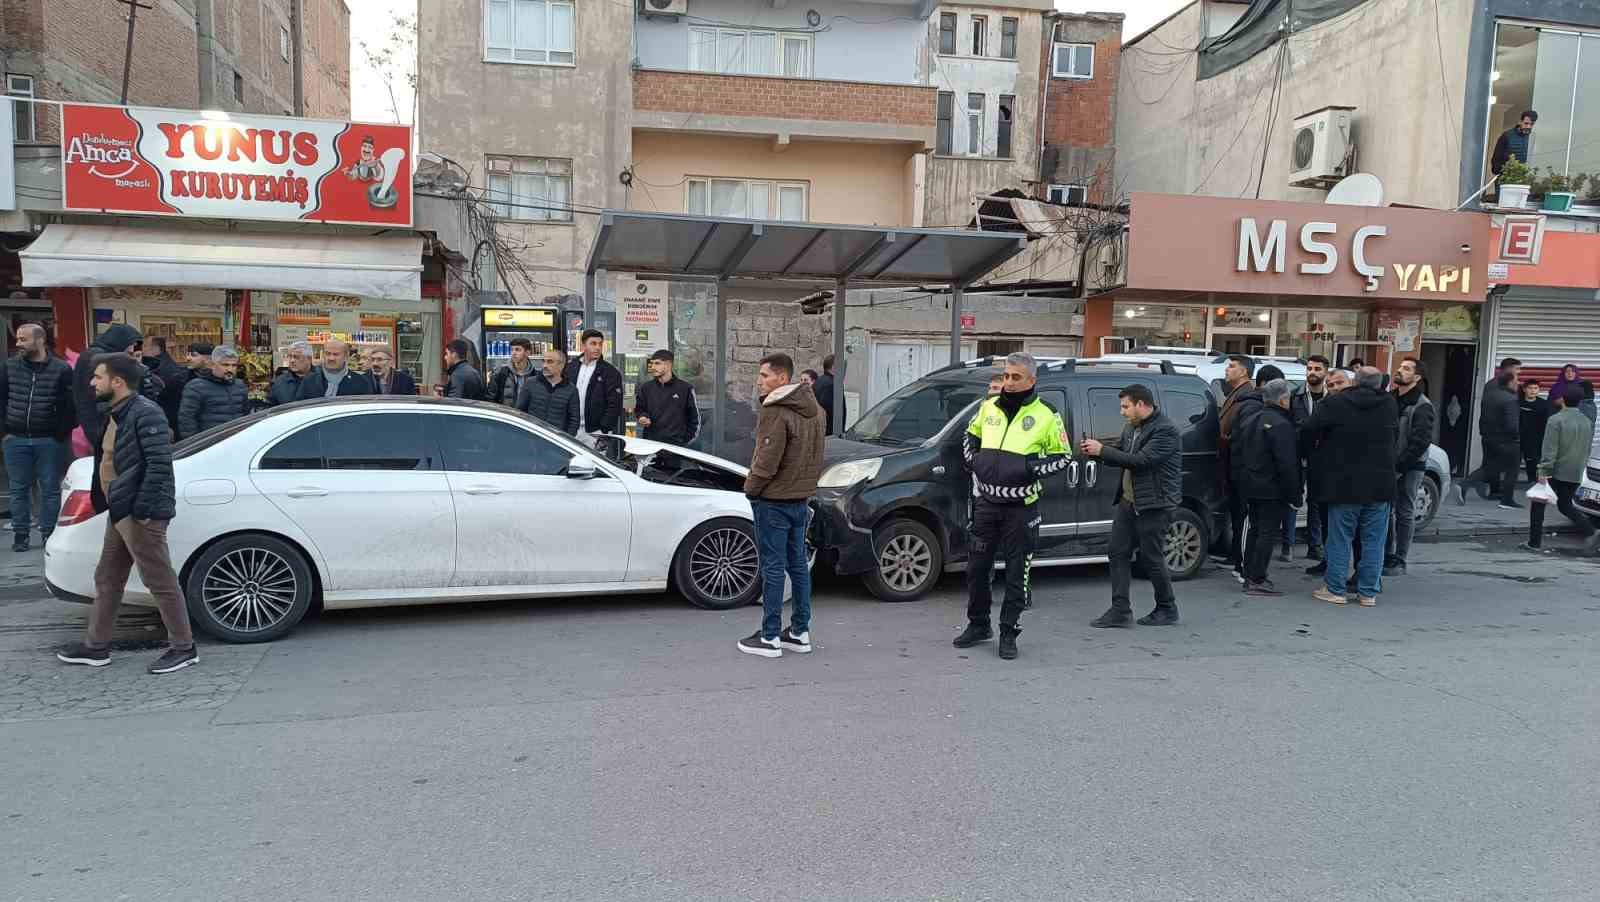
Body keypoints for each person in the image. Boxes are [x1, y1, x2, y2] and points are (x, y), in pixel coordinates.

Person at [54, 353, 197, 674]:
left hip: (138, 512)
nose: (92, 382)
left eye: (98, 377)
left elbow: (159, 465)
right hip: (121, 509)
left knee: (159, 580)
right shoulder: (117, 411)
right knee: (107, 578)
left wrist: (143, 511)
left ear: (117, 382)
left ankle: (184, 647)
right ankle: (96, 647)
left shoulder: (146, 413)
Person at [950, 353, 1069, 659]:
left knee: (1018, 574)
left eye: (1016, 377)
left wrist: (1029, 467)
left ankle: (1009, 632)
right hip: (986, 504)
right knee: (976, 568)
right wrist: (974, 460)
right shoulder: (988, 407)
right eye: (1006, 376)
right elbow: (970, 436)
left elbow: (1063, 456)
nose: (1009, 382)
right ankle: (978, 625)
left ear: (1032, 380)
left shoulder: (1047, 414)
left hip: (1021, 507)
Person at [737, 353, 825, 659]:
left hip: (773, 501)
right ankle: (800, 632)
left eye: (764, 376)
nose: (758, 381)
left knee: (773, 567)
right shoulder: (816, 410)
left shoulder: (775, 410)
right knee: (798, 566)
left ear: (782, 379)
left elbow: (766, 460)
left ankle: (770, 636)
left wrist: (751, 489)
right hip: (800, 498)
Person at [1082, 383, 1182, 626]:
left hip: (1155, 504)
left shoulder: (1165, 430)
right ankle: (1120, 610)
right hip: (1129, 501)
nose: (1122, 411)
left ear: (1141, 404)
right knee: (1117, 552)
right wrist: (1095, 452)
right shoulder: (1132, 427)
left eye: (1126, 406)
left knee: (1151, 558)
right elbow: (1122, 453)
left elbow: (1142, 461)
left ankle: (1167, 608)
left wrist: (1102, 450)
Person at [1303, 367, 1398, 607]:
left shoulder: (1335, 403)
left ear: (1355, 380)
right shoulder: (1389, 404)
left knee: (1339, 538)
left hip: (1343, 483)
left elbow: (1308, 430)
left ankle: (1336, 589)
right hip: (1380, 484)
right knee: (1374, 541)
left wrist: (1317, 452)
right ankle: (1368, 592)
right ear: (1379, 384)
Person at [1, 324, 75, 551]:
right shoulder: (8, 366)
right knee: (18, 488)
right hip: (15, 437)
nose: (18, 344)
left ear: (40, 340)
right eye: (18, 339)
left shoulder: (61, 369)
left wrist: (59, 434)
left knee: (50, 488)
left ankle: (48, 532)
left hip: (48, 439)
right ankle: (21, 533)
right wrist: (4, 431)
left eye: (24, 339)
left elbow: (70, 406)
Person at [1235, 378, 1300, 596]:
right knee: (1267, 532)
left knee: (1255, 529)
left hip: (1250, 484)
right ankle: (1257, 578)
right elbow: (1287, 463)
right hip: (1272, 487)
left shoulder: (1251, 419)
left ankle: (1250, 574)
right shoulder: (1281, 425)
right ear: (1283, 400)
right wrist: (1295, 493)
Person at [1525, 384, 1600, 552]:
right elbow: (1587, 448)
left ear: (1563, 399)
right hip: (1575, 472)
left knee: (1538, 502)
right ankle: (1591, 531)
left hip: (1556, 470)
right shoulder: (1586, 421)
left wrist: (1544, 470)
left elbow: (1550, 449)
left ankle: (1534, 543)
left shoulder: (1556, 420)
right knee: (1565, 505)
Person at [1384, 357, 1436, 576]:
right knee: (1385, 511)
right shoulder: (1390, 399)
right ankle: (1385, 554)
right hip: (1388, 464)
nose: (1399, 371)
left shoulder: (1422, 405)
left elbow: (1420, 441)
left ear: (1416, 377)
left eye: (1406, 369)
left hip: (1410, 466)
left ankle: (1400, 558)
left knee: (1404, 511)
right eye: (1400, 367)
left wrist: (1401, 465)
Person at [1456, 357, 1522, 509]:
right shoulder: (1507, 393)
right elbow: (1508, 417)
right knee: (1507, 466)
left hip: (1488, 433)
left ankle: (1493, 491)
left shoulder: (1490, 385)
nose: (1519, 374)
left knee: (1491, 464)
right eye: (1517, 370)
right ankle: (1505, 499)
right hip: (1503, 436)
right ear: (1509, 369)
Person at [1216, 354, 1259, 582]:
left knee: (1242, 517)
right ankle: (1234, 555)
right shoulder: (1235, 395)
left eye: (1232, 366)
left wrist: (1225, 438)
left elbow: (1244, 435)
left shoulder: (1248, 398)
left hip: (1240, 468)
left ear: (1244, 372)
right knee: (1235, 513)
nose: (1227, 370)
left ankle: (1242, 563)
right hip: (1230, 466)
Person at [72, 324, 145, 449]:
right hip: (101, 425)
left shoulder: (109, 355)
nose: (133, 358)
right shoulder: (97, 357)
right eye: (130, 352)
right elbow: (92, 398)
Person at [1293, 355, 1331, 560]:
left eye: (1317, 369)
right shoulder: (1295, 396)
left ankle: (1315, 545)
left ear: (1326, 372)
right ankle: (1286, 544)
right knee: (1293, 498)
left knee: (1316, 502)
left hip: (1322, 458)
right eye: (1309, 368)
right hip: (1298, 456)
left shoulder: (1331, 397)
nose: (1312, 372)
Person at [565, 329, 623, 446]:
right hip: (569, 430)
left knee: (592, 464)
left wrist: (603, 431)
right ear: (583, 346)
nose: (597, 348)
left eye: (600, 344)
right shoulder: (570, 368)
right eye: (593, 344)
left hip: (595, 433)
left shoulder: (610, 372)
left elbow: (615, 405)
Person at [177, 345, 248, 440]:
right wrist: (196, 443)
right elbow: (186, 420)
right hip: (209, 443)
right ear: (213, 365)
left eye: (234, 365)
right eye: (225, 365)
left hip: (235, 440)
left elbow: (245, 414)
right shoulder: (196, 386)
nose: (230, 369)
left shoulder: (240, 386)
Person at [633, 349, 700, 446]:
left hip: (675, 448)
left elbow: (694, 418)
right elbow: (639, 409)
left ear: (668, 365)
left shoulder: (685, 388)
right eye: (652, 363)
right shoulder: (646, 388)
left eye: (657, 363)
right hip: (651, 445)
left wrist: (683, 442)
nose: (653, 367)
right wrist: (642, 416)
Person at [516, 347, 580, 435]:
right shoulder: (530, 383)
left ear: (561, 365)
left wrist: (566, 439)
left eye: (550, 362)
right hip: (532, 438)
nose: (545, 365)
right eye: (544, 361)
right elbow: (520, 412)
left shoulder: (571, 389)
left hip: (556, 441)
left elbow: (574, 420)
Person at [294, 338, 375, 400]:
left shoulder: (361, 382)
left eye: (336, 354)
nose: (331, 358)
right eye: (327, 353)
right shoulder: (309, 381)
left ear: (346, 356)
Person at [142, 336, 189, 431]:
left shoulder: (158, 368)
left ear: (156, 348)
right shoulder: (168, 364)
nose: (142, 349)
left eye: (145, 346)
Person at [1518, 380, 1551, 485]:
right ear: (1524, 389)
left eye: (1535, 388)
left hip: (1536, 438)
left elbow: (1547, 422)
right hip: (1518, 437)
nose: (1533, 391)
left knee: (1533, 461)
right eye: (1530, 388)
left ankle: (1532, 481)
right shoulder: (1518, 403)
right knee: (1514, 462)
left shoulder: (1544, 404)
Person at [490, 338, 539, 407]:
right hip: (506, 415)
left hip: (526, 416)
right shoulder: (500, 373)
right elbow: (491, 398)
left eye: (517, 350)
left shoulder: (536, 376)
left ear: (527, 353)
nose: (513, 353)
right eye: (512, 350)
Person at [1490, 110, 1538, 177]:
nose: (1528, 127)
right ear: (1520, 122)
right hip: (1505, 179)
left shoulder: (1532, 138)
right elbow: (1495, 161)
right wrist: (1504, 170)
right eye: (1526, 123)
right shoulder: (1506, 136)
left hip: (1523, 178)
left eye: (1531, 124)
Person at [267, 341, 314, 406]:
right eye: (290, 356)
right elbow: (270, 407)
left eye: (296, 357)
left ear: (309, 359)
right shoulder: (279, 382)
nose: (292, 360)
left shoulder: (321, 380)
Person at [815, 354, 836, 435]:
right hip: (829, 432)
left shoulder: (819, 380)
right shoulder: (832, 384)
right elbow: (829, 410)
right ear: (834, 367)